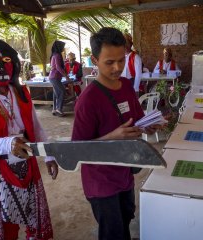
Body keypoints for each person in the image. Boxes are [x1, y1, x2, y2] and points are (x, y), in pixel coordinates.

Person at [72, 27, 159, 240]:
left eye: (121, 60)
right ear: (94, 60)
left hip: (124, 174)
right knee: (112, 233)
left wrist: (147, 125)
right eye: (109, 62)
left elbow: (135, 120)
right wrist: (111, 137)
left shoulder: (127, 86)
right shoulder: (88, 100)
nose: (117, 67)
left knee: (126, 221)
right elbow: (77, 150)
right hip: (101, 182)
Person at [0, 39, 58, 240]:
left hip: (28, 161)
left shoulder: (21, 91)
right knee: (7, 222)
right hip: (0, 168)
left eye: (7, 60)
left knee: (34, 214)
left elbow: (36, 127)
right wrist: (9, 143)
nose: (3, 67)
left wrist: (49, 157)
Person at [49, 40, 70, 117]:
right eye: (62, 47)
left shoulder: (54, 54)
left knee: (56, 93)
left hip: (54, 77)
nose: (63, 48)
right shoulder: (57, 55)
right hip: (55, 77)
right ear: (59, 47)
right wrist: (66, 76)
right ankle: (59, 109)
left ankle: (55, 109)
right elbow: (58, 67)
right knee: (61, 91)